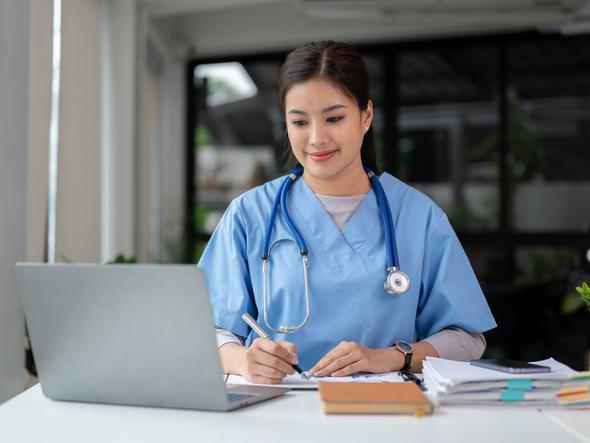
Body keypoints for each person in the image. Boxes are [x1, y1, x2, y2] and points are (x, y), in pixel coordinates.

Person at [198, 41, 496, 385]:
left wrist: (390, 357)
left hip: (385, 413)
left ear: (365, 116)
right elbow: (204, 329)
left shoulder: (418, 217)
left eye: (334, 118)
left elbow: (468, 338)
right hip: (275, 415)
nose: (316, 138)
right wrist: (242, 359)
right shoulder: (249, 215)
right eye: (299, 122)